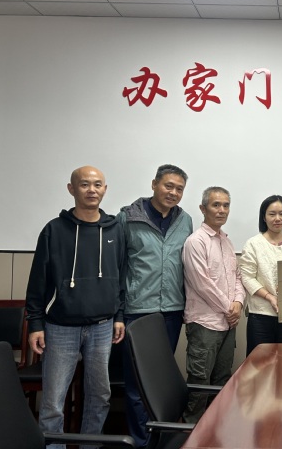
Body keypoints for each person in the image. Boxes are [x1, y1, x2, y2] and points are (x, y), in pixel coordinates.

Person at [25, 166, 126, 447]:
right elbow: (38, 280)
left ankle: (89, 446)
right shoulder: (54, 230)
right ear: (71, 189)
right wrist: (35, 323)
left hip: (103, 327)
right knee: (53, 401)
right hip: (60, 328)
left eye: (97, 184)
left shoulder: (116, 230)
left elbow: (121, 277)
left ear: (105, 189)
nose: (92, 190)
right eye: (84, 184)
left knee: (100, 397)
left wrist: (118, 315)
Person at [117, 164, 193, 447]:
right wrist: (118, 312)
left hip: (172, 311)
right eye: (168, 186)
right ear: (154, 184)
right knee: (137, 383)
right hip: (137, 310)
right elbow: (117, 267)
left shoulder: (185, 220)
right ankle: (141, 442)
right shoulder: (127, 218)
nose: (173, 193)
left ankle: (159, 439)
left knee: (160, 381)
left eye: (179, 189)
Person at [182, 187, 245, 423]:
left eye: (226, 205)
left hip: (228, 324)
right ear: (203, 208)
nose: (221, 210)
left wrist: (238, 302)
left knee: (222, 380)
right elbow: (202, 284)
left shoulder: (226, 242)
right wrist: (230, 308)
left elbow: (237, 277)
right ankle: (191, 431)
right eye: (216, 205)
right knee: (200, 382)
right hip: (205, 324)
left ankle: (216, 428)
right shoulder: (195, 242)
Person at [239, 195, 282, 356]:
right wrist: (270, 297)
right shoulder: (253, 244)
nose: (277, 218)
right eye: (272, 214)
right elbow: (247, 277)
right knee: (259, 363)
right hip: (261, 315)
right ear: (264, 217)